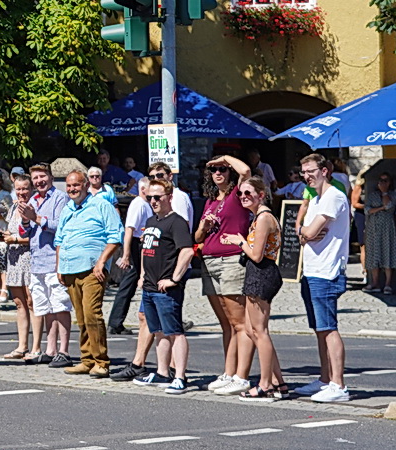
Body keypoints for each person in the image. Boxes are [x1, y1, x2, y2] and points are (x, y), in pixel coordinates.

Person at [52, 169, 120, 378]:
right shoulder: (67, 209)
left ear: (85, 185)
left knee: (92, 314)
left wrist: (102, 262)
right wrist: (59, 267)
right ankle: (87, 359)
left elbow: (115, 236)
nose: (72, 189)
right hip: (70, 268)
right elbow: (59, 240)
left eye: (76, 185)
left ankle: (101, 361)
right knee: (81, 317)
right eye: (69, 186)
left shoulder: (102, 205)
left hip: (93, 269)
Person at [296, 154, 353, 403]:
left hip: (327, 271)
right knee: (319, 329)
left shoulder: (334, 197)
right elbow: (302, 232)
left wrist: (306, 233)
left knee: (329, 328)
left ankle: (338, 384)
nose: (307, 176)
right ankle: (324, 378)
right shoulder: (316, 199)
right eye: (304, 172)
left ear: (325, 170)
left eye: (311, 171)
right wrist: (305, 233)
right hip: (311, 269)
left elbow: (309, 232)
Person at [130, 182, 196, 392]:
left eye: (158, 197)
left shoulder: (176, 222)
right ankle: (162, 372)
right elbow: (144, 249)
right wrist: (141, 275)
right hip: (150, 286)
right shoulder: (151, 221)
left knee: (175, 331)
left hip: (166, 288)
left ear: (169, 197)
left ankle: (180, 376)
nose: (153, 201)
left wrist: (174, 279)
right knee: (158, 331)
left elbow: (187, 251)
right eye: (150, 197)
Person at [197, 155, 254, 393]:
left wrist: (225, 158)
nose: (218, 173)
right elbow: (198, 238)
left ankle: (241, 376)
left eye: (222, 169)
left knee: (239, 322)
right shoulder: (210, 201)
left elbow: (247, 170)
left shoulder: (237, 195)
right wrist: (204, 227)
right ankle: (228, 372)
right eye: (214, 170)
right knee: (226, 324)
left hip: (231, 259)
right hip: (210, 260)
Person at [235, 175, 287, 399]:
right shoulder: (258, 217)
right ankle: (278, 381)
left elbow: (256, 255)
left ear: (261, 195)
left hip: (262, 273)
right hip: (258, 273)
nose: (243, 197)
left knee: (260, 331)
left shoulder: (264, 217)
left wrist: (239, 242)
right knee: (251, 330)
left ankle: (265, 383)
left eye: (248, 193)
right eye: (240, 193)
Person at [18, 164, 71, 366]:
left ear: (50, 177)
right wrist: (25, 221)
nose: (39, 181)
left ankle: (64, 351)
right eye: (35, 178)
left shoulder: (60, 198)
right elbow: (26, 233)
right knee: (45, 308)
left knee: (60, 306)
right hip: (37, 261)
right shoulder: (33, 200)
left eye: (42, 176)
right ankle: (50, 349)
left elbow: (61, 227)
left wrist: (36, 218)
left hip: (53, 261)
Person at [0, 174, 38, 360]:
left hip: (28, 257)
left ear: (31, 189)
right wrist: (5, 235)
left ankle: (36, 347)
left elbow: (37, 237)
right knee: (19, 302)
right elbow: (13, 230)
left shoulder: (34, 206)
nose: (21, 192)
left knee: (31, 302)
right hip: (13, 257)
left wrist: (16, 239)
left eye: (25, 189)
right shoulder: (13, 206)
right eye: (18, 189)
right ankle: (22, 346)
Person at [359, 170, 396, 294]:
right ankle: (375, 283)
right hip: (373, 227)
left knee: (387, 253)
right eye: (381, 180)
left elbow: (389, 206)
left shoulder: (393, 194)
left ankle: (388, 284)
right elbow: (367, 210)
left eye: (385, 180)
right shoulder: (372, 195)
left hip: (387, 227)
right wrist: (381, 208)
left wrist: (384, 193)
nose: (382, 183)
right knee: (373, 254)